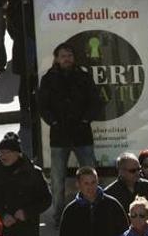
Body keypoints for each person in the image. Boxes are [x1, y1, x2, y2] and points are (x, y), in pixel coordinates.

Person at [37, 42, 101, 226]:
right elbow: (42, 106)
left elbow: (95, 102)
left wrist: (85, 120)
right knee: (57, 180)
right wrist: (54, 122)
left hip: (82, 134)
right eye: (63, 55)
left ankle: (95, 211)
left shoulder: (83, 76)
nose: (67, 59)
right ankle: (58, 216)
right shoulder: (48, 79)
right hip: (59, 136)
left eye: (70, 55)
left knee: (91, 176)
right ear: (56, 58)